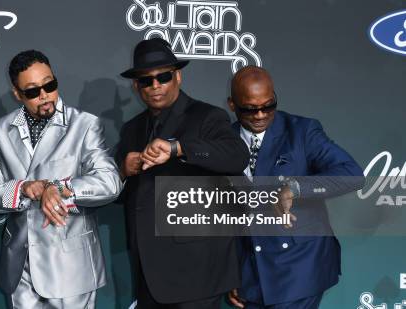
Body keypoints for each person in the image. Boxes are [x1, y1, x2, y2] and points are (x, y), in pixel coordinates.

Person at [0, 50, 122, 309]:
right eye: (32, 91)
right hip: (21, 268)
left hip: (71, 265)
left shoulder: (84, 125)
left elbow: (109, 182)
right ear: (17, 94)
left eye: (50, 84)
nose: (44, 95)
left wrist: (58, 188)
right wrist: (24, 189)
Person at [115, 38, 249, 308]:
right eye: (145, 80)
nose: (154, 87)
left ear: (178, 76)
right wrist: (123, 171)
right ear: (136, 86)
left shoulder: (207, 117)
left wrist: (178, 148)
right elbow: (124, 196)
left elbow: (237, 155)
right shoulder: (132, 129)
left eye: (163, 77)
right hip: (148, 276)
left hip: (197, 273)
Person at [226, 65, 365, 309]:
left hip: (299, 267)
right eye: (250, 109)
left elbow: (351, 174)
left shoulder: (302, 131)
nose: (260, 115)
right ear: (232, 105)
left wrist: (295, 188)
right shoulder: (222, 140)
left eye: (268, 106)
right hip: (251, 273)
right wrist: (232, 273)